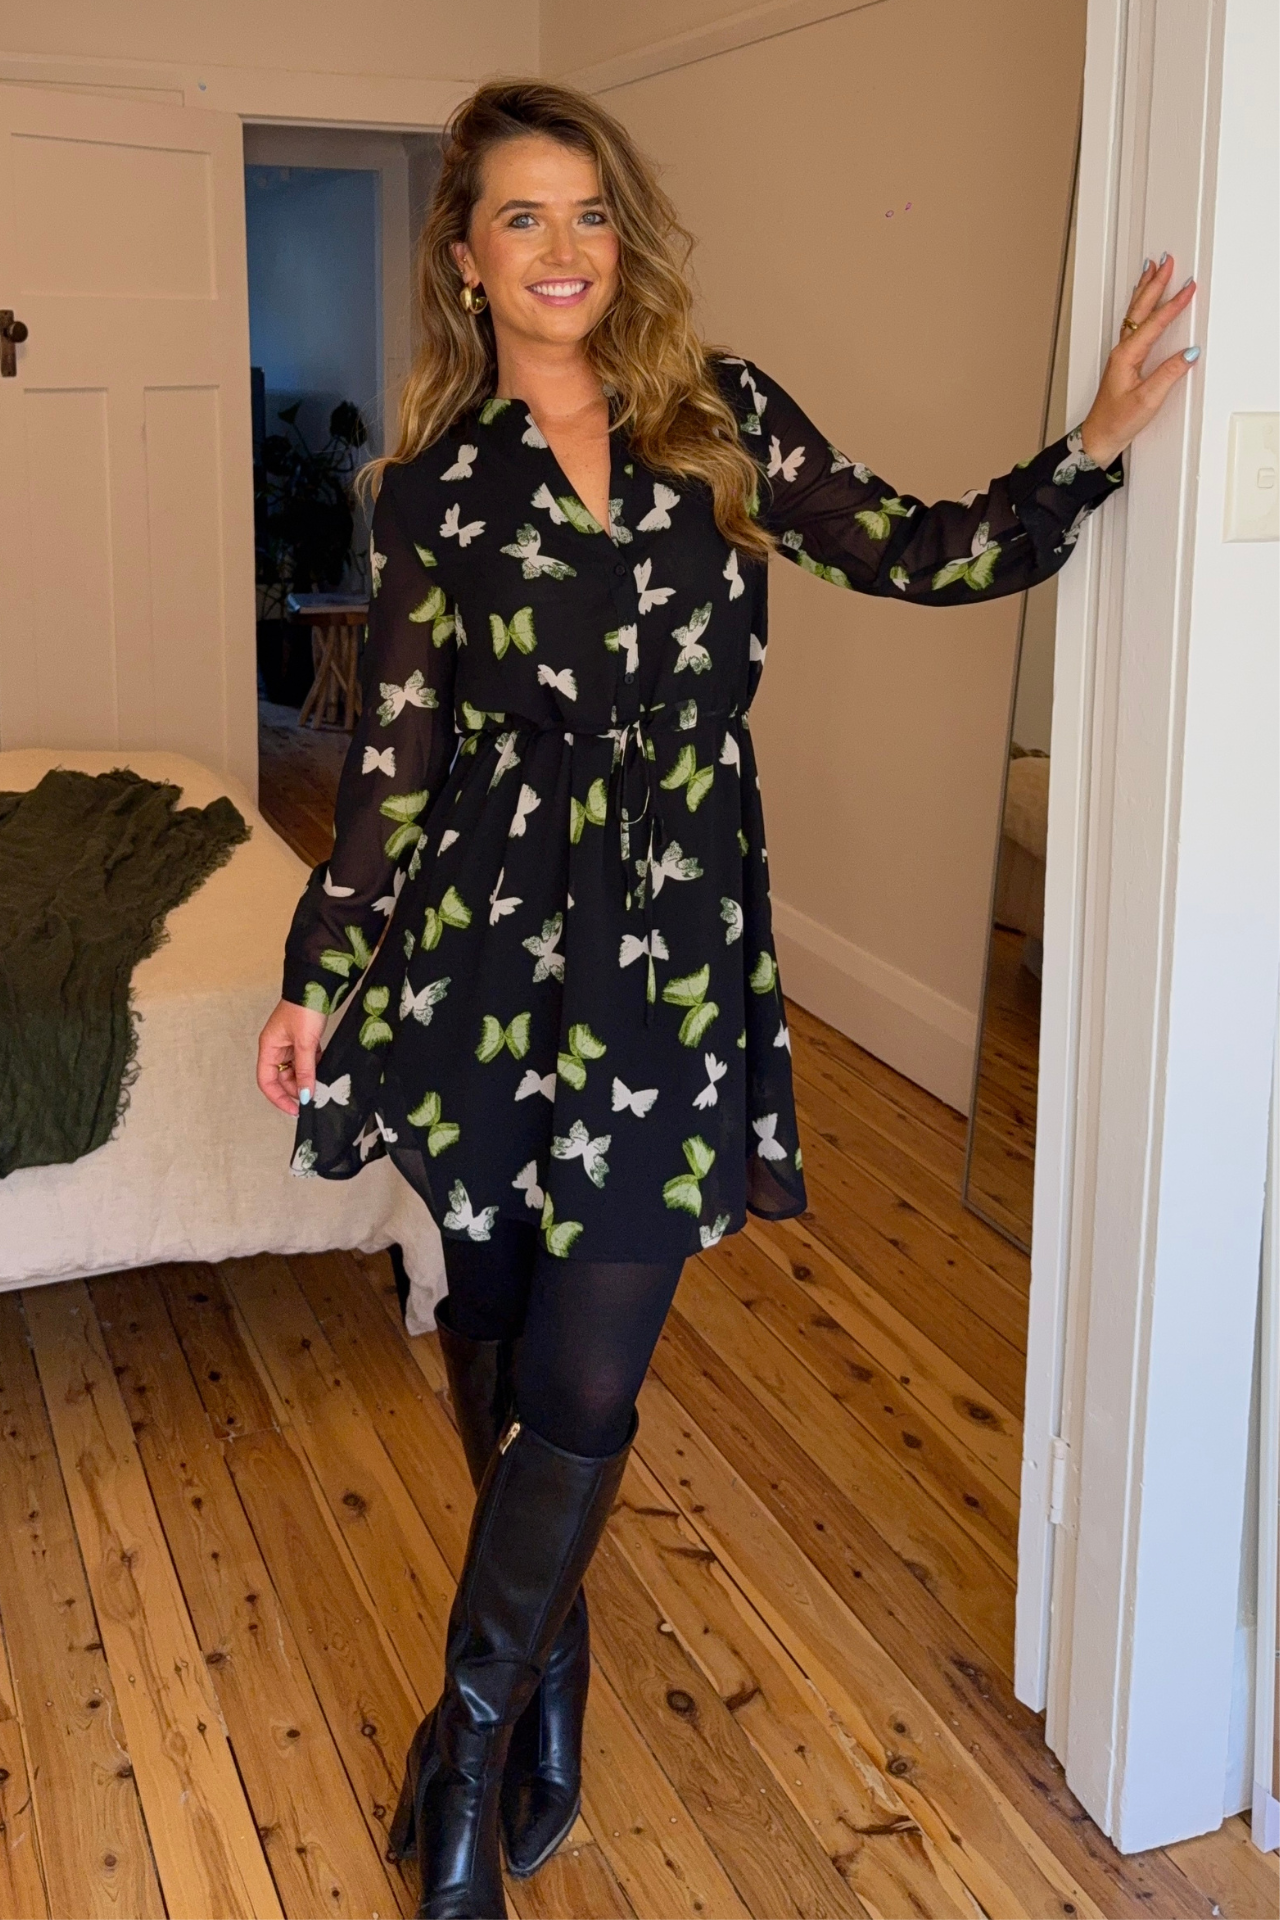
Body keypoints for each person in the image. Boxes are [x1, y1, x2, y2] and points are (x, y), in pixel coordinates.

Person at [256, 77, 1197, 1920]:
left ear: (622, 236)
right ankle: (547, 1690)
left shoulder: (721, 421)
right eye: (522, 217)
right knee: (499, 1344)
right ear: (465, 260)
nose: (563, 248)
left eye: (590, 211)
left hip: (667, 957)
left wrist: (1086, 450)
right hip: (483, 960)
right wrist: (318, 981)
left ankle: (464, 1759)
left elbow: (916, 547)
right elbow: (393, 767)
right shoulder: (432, 493)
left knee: (586, 1378)